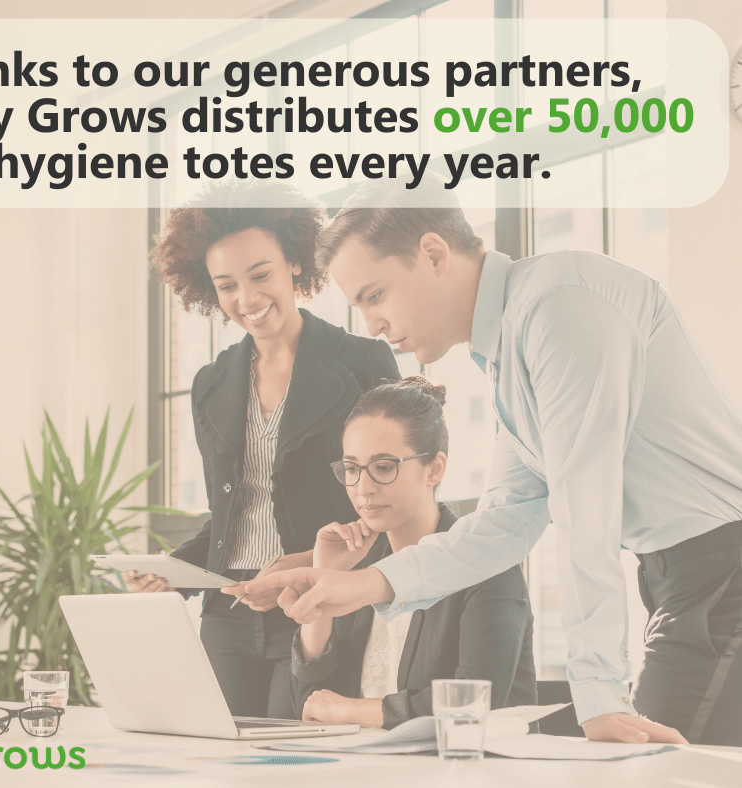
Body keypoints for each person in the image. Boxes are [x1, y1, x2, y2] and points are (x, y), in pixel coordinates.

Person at [247, 176, 742, 746]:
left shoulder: (560, 305)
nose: (371, 325)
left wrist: (599, 693)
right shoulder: (511, 349)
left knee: (653, 764)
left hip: (722, 568)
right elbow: (504, 524)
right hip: (684, 576)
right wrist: (363, 586)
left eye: (375, 296)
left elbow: (586, 508)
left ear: (433, 254)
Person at [124, 180, 400, 719]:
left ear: (295, 264)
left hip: (320, 606)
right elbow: (226, 523)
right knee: (225, 763)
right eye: (226, 285)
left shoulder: (364, 363)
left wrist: (300, 565)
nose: (246, 299)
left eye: (261, 275)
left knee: (304, 764)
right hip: (228, 616)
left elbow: (389, 508)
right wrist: (173, 571)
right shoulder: (211, 383)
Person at [291, 376, 536, 728]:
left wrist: (349, 711)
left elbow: (475, 702)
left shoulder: (487, 561)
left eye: (384, 467)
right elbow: (308, 705)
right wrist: (324, 577)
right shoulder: (359, 565)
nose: (363, 489)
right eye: (351, 469)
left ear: (433, 468)